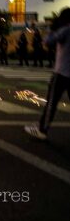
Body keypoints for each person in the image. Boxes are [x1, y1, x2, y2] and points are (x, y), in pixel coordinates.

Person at [25, 8, 70, 141]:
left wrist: (52, 29)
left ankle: (42, 129)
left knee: (51, 102)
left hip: (61, 73)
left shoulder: (66, 30)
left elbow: (48, 42)